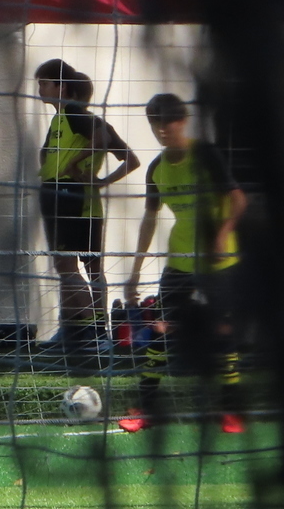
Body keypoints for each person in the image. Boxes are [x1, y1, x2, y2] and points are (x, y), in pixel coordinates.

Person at [120, 93, 248, 434]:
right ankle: (146, 408)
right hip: (179, 262)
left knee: (223, 335)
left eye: (168, 121)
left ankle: (231, 409)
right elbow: (150, 218)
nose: (162, 129)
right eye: (155, 123)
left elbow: (238, 200)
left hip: (220, 263)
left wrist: (221, 235)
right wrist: (134, 272)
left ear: (183, 121)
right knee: (160, 332)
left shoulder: (205, 155)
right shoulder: (156, 169)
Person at [35, 58, 138, 356]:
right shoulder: (62, 120)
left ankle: (92, 330)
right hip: (82, 198)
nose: (40, 89)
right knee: (89, 268)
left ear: (64, 88)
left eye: (44, 83)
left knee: (66, 266)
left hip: (66, 194)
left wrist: (74, 165)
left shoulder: (73, 113)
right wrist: (101, 181)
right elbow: (130, 159)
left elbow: (102, 139)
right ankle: (77, 329)